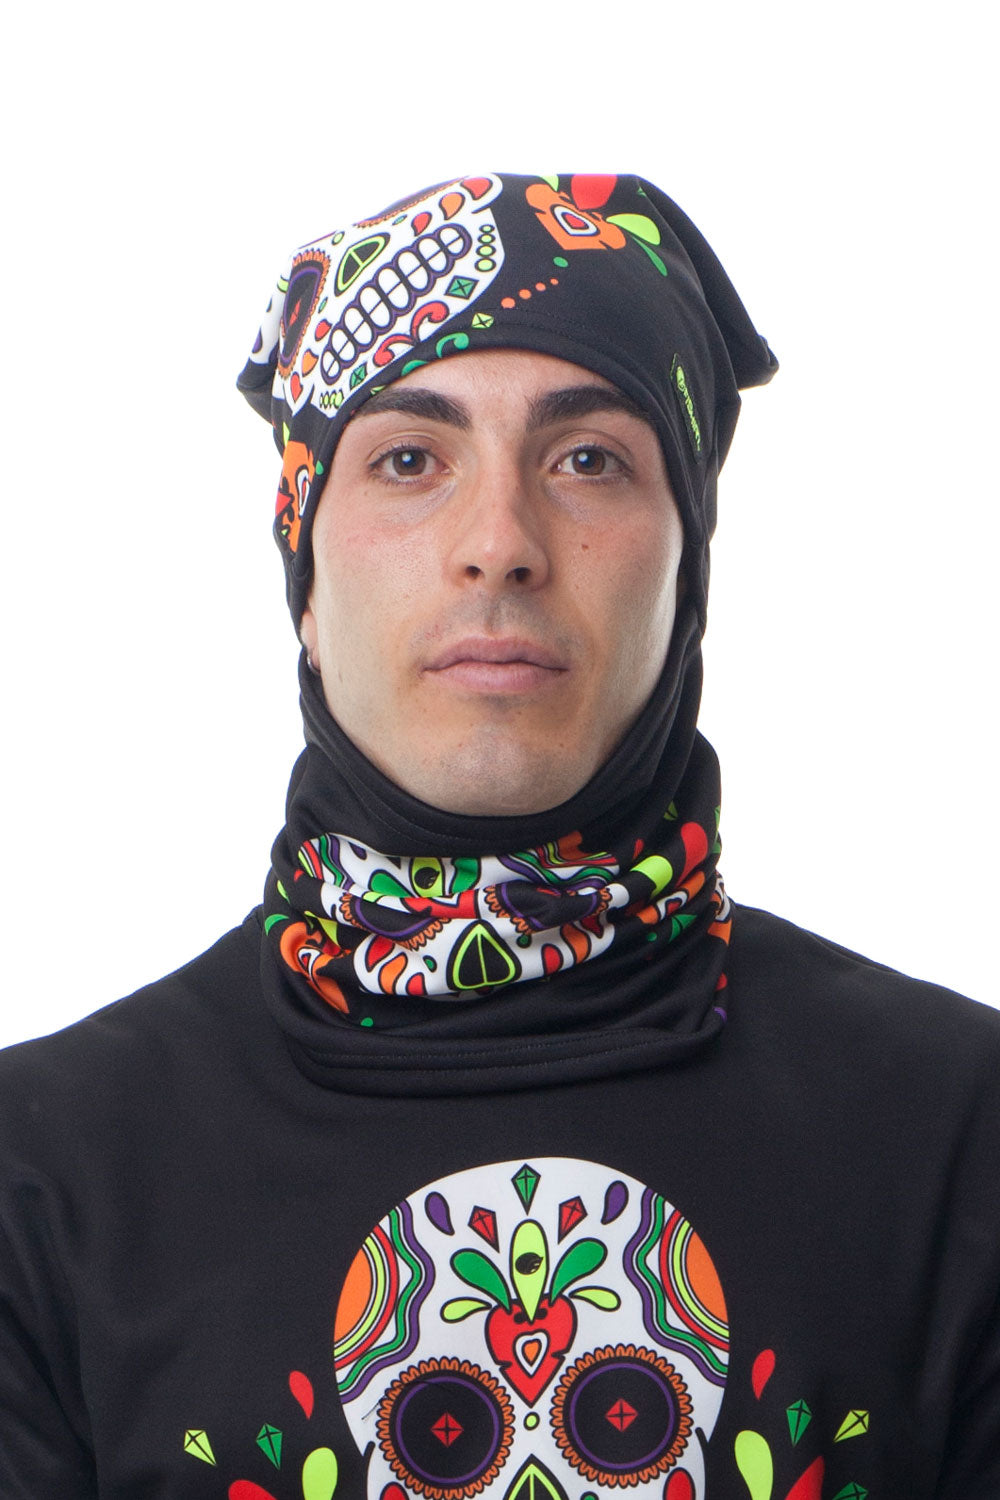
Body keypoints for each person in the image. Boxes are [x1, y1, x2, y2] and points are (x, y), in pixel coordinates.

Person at [1, 172, 997, 1500]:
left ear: (688, 567)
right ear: (305, 574)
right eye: (410, 459)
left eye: (589, 459)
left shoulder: (959, 1137)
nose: (500, 543)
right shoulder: (43, 1178)